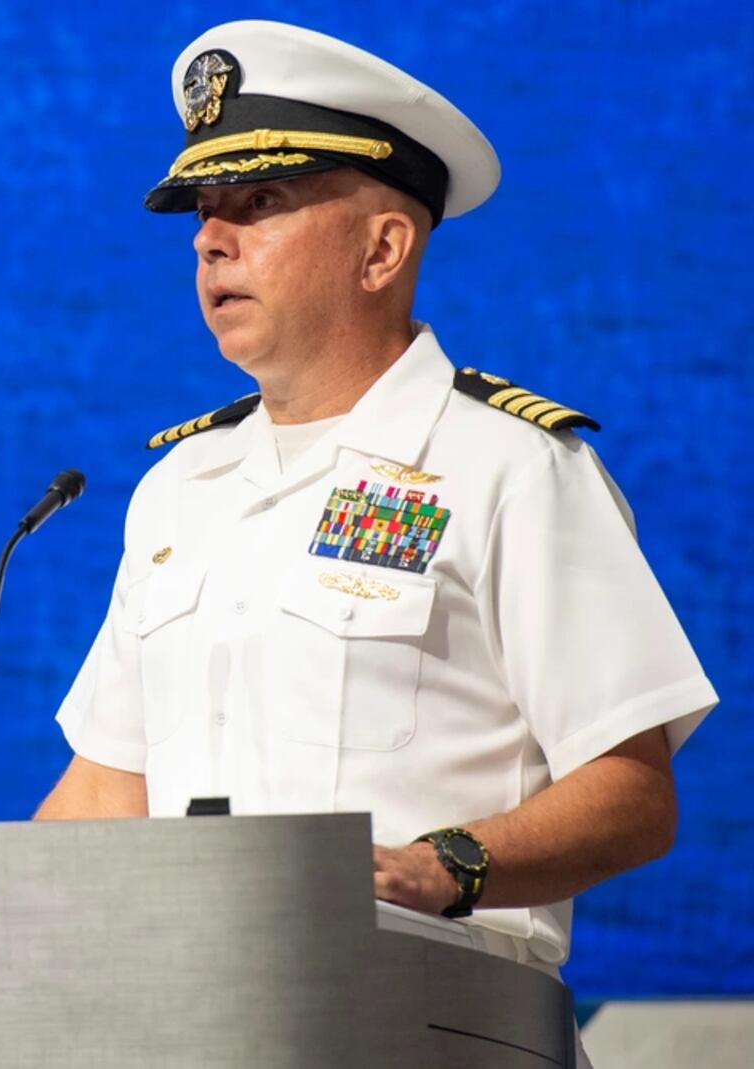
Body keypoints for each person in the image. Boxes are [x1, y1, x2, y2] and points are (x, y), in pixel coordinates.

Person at [36, 14, 715, 1026]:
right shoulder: (181, 486)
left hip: (426, 1014)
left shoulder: (512, 465)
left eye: (256, 202)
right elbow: (106, 791)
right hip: (187, 1016)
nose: (209, 238)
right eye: (201, 212)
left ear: (382, 247)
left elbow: (629, 788)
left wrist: (441, 866)